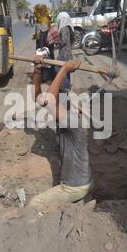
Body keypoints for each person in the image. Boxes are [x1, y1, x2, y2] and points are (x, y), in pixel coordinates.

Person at [27, 57, 93, 212]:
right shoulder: (66, 113)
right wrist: (37, 70)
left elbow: (48, 102)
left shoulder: (73, 119)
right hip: (83, 180)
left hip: (75, 186)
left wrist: (65, 69)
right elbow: (41, 99)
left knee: (34, 205)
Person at [56, 12, 75, 89]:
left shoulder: (64, 28)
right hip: (68, 53)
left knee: (58, 68)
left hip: (64, 53)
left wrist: (57, 42)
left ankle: (66, 85)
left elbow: (63, 41)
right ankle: (66, 87)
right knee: (66, 71)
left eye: (60, 20)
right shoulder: (69, 28)